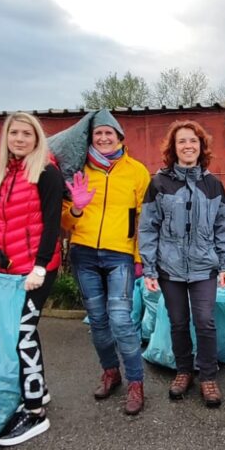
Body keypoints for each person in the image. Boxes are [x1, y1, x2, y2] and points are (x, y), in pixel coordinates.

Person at [0, 112, 63, 446]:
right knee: (22, 333)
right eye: (14, 133)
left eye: (26, 133)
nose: (19, 138)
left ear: (37, 137)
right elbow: (4, 220)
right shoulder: (9, 174)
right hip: (11, 269)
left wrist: (40, 267)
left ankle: (34, 414)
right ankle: (37, 392)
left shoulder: (46, 172)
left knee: (22, 334)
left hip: (36, 269)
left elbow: (52, 223)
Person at [138, 120, 225, 408]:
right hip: (170, 268)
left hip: (205, 266)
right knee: (178, 322)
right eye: (182, 141)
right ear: (174, 147)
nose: (188, 146)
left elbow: (224, 226)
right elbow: (148, 227)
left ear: (201, 146)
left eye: (193, 140)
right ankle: (183, 371)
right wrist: (150, 268)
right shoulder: (159, 183)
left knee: (205, 322)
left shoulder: (213, 185)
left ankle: (207, 375)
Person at [62, 109, 150, 416]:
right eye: (97, 133)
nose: (102, 138)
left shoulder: (137, 171)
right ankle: (110, 371)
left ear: (120, 138)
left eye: (108, 133)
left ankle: (136, 383)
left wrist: (140, 257)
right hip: (83, 252)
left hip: (119, 255)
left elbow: (145, 219)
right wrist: (74, 209)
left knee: (122, 320)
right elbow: (64, 223)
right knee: (98, 322)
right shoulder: (78, 169)